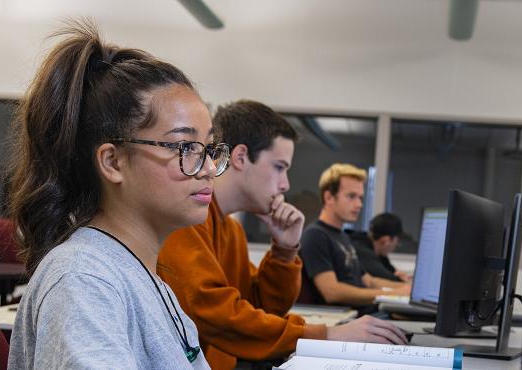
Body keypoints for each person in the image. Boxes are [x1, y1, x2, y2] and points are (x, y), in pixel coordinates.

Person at [6, 21, 229, 369]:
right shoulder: (84, 281)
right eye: (185, 146)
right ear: (112, 162)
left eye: (209, 148)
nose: (208, 168)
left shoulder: (142, 277)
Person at [157, 100, 408, 370]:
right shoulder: (186, 221)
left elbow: (262, 308)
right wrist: (324, 336)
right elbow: (214, 313)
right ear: (240, 157)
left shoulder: (232, 231)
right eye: (279, 167)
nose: (285, 184)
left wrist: (285, 250)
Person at [299, 164, 411, 309]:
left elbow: (368, 281)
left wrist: (405, 288)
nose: (359, 204)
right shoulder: (315, 235)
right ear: (329, 197)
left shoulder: (343, 236)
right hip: (347, 320)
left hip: (365, 314)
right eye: (351, 196)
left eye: (360, 198)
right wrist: (393, 294)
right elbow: (331, 292)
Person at [350, 213, 411, 282]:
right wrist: (401, 279)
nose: (396, 245)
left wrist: (397, 273)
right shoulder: (362, 251)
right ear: (386, 240)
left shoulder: (378, 253)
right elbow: (388, 279)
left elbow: (391, 271)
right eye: (397, 241)